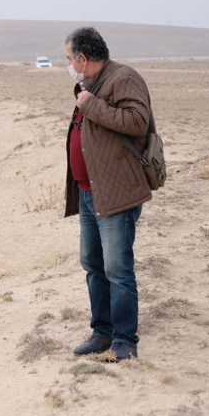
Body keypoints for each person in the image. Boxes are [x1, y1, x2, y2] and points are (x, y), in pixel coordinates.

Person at [63, 27, 153, 362]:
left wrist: (90, 104)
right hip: (89, 192)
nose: (68, 65)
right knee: (93, 263)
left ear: (82, 58)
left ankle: (124, 340)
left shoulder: (123, 78)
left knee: (117, 268)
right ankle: (102, 332)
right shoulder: (92, 83)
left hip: (115, 194)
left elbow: (137, 122)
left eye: (69, 58)